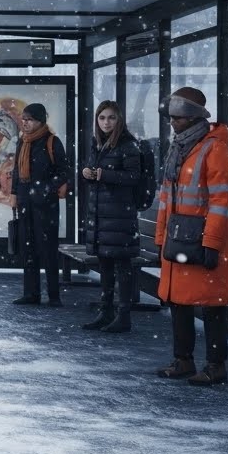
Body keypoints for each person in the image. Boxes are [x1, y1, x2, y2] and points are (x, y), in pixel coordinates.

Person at [154, 87, 228, 386]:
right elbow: (166, 197)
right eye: (172, 116)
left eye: (179, 117)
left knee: (212, 305)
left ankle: (216, 365)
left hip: (200, 239)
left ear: (194, 118)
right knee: (179, 300)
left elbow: (221, 200)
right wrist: (161, 235)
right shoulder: (180, 148)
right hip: (181, 237)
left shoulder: (214, 148)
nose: (173, 121)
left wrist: (212, 243)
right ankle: (183, 359)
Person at [79, 100, 142, 333]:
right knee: (105, 263)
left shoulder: (127, 145)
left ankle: (123, 315)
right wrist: (88, 174)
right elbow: (97, 175)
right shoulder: (99, 144)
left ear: (119, 120)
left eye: (111, 118)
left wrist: (103, 174)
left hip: (120, 216)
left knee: (122, 265)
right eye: (102, 118)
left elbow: (134, 177)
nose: (106, 122)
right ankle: (106, 311)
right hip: (102, 216)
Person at [8, 102, 70, 306]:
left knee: (48, 248)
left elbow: (63, 171)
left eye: (29, 120)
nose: (24, 123)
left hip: (46, 203)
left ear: (40, 121)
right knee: (28, 247)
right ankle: (31, 293)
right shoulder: (23, 142)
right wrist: (14, 193)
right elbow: (17, 171)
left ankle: (54, 295)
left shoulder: (52, 142)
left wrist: (45, 188)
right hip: (26, 200)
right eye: (23, 119)